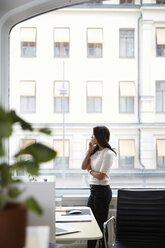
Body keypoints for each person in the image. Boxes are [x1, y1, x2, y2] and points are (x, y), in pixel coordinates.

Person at [81, 126, 116, 248]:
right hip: (93, 191)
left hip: (102, 191)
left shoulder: (108, 153)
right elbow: (84, 166)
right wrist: (89, 151)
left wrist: (90, 171)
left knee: (100, 224)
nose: (91, 137)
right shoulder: (95, 151)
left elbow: (101, 176)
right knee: (91, 222)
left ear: (100, 137)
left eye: (93, 135)